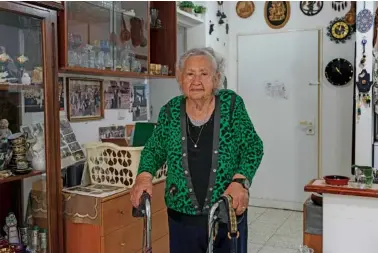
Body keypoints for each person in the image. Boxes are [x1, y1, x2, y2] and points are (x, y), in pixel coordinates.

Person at [130, 47, 264, 253]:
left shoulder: (231, 105)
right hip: (181, 217)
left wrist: (240, 181)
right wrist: (144, 176)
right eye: (190, 74)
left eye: (204, 74)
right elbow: (154, 149)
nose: (196, 81)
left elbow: (253, 146)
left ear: (216, 78)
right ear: (180, 79)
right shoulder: (170, 110)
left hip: (225, 210)